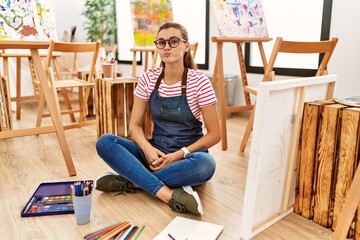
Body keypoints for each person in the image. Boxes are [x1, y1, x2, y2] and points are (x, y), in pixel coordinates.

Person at [95, 22, 221, 215]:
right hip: (154, 154)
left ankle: (133, 181)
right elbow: (134, 127)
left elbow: (215, 134)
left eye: (173, 41)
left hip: (187, 157)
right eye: (161, 42)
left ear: (186, 46)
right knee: (105, 142)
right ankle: (168, 195)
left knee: (207, 165)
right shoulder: (148, 78)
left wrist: (178, 154)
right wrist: (147, 150)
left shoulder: (199, 81)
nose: (167, 47)